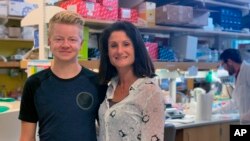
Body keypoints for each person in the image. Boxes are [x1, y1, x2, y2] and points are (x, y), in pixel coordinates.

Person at [18, 11, 106, 141]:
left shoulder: (98, 83)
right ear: (49, 41)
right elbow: (26, 137)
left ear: (81, 44)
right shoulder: (34, 84)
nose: (65, 45)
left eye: (72, 39)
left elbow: (106, 132)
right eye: (59, 39)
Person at [98, 21, 165, 141]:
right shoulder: (110, 88)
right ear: (107, 53)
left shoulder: (150, 92)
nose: (119, 51)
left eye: (126, 44)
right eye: (113, 45)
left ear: (136, 48)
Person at [219, 48, 250, 124]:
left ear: (229, 62)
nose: (224, 69)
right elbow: (235, 102)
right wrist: (214, 111)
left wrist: (246, 117)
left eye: (223, 65)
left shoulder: (248, 70)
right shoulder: (238, 75)